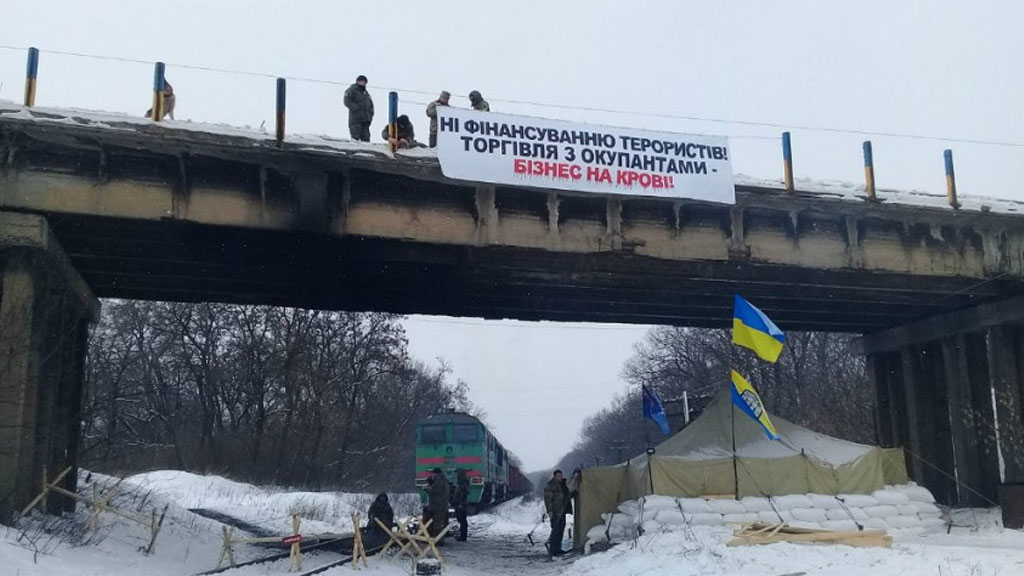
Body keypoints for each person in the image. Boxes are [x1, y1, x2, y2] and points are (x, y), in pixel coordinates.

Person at [544, 469, 571, 556]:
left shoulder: (562, 485)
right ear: (555, 476)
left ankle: (558, 548)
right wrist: (550, 511)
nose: (561, 478)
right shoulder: (551, 486)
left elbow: (567, 495)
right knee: (555, 530)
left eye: (561, 476)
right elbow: (548, 500)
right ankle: (552, 550)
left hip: (562, 511)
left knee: (561, 530)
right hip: (555, 512)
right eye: (559, 476)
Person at [343, 74, 374, 142]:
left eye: (364, 81)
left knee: (366, 140)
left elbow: (371, 106)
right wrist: (356, 109)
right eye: (361, 81)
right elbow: (347, 101)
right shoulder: (352, 90)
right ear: (357, 81)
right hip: (355, 120)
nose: (363, 83)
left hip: (365, 121)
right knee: (355, 139)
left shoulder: (366, 94)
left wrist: (370, 116)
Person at [427, 468, 450, 542]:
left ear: (436, 473)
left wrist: (428, 488)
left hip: (438, 504)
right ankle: (440, 538)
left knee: (438, 522)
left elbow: (435, 491)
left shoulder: (439, 481)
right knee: (440, 521)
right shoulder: (443, 480)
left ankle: (438, 539)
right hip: (442, 504)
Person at [453, 470, 469, 541]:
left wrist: (460, 503)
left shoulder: (463, 484)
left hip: (461, 505)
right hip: (461, 504)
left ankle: (463, 537)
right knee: (462, 520)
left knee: (462, 520)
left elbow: (463, 495)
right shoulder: (462, 483)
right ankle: (462, 536)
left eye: (458, 474)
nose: (457, 476)